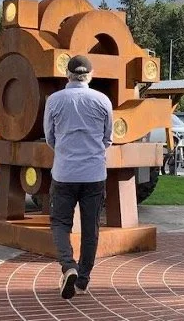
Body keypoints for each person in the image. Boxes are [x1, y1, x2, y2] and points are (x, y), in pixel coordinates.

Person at [44, 55, 113, 299]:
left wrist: (66, 151)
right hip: (94, 173)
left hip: (64, 172)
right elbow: (108, 138)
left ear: (68, 75)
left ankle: (68, 265)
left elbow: (50, 137)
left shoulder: (54, 100)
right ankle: (82, 281)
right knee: (90, 227)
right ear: (90, 76)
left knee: (60, 223)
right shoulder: (102, 100)